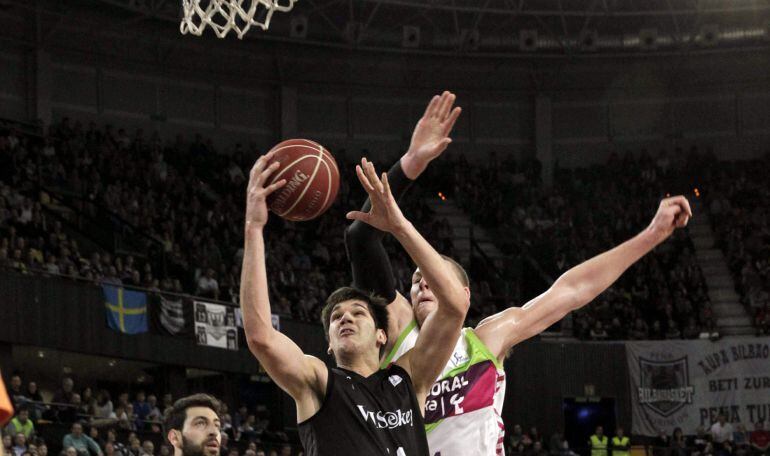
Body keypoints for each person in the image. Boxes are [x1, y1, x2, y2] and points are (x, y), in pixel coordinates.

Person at [345, 90, 694, 455]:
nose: (422, 283)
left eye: (434, 278)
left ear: (463, 294)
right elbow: (361, 236)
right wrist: (411, 164)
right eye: (416, 280)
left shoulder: (486, 340)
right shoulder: (397, 329)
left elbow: (573, 290)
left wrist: (651, 235)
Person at [240, 150, 469, 455]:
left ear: (381, 335)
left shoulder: (409, 378)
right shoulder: (318, 382)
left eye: (358, 312)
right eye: (336, 317)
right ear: (329, 344)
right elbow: (260, 338)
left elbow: (454, 305)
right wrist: (253, 228)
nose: (345, 318)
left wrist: (399, 226)